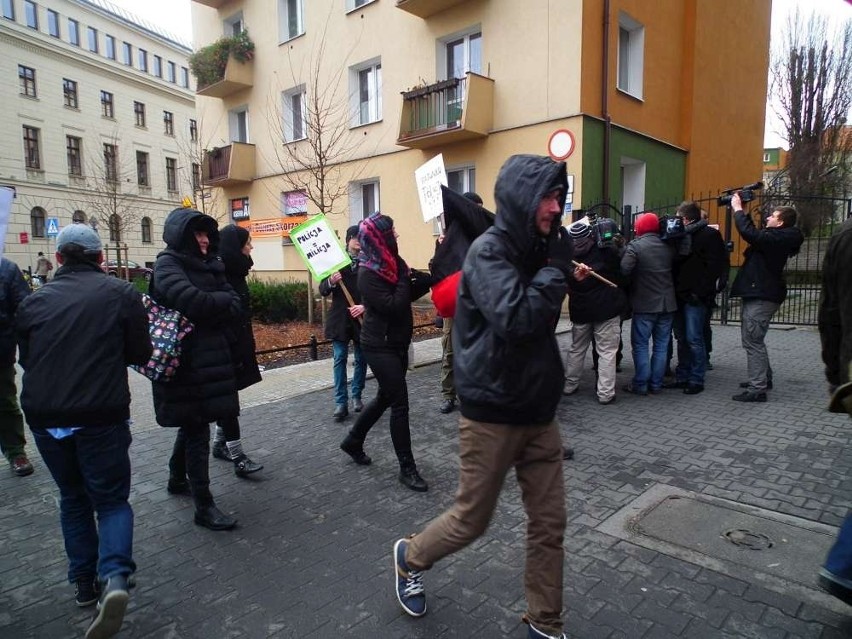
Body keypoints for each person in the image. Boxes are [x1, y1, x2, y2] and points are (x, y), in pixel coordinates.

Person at [393, 154, 584, 639]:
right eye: (547, 196)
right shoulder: (489, 252)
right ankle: (409, 556)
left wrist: (559, 268)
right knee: (471, 520)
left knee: (549, 525)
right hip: (493, 414)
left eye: (560, 197)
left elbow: (539, 310)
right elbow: (518, 320)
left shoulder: (537, 249)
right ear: (522, 197)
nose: (555, 207)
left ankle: (544, 623)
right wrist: (556, 272)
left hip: (539, 412)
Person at [15, 224, 151, 638]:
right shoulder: (122, 294)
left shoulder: (34, 302)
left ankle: (83, 585)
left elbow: (26, 357)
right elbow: (140, 353)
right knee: (110, 501)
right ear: (100, 258)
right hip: (100, 414)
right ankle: (114, 577)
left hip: (44, 416)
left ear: (57, 259)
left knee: (72, 499)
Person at [152, 208, 242, 531]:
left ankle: (177, 478)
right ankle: (203, 505)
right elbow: (191, 301)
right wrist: (215, 303)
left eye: (207, 233)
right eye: (198, 234)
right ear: (183, 236)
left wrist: (212, 303)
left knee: (194, 423)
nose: (204, 240)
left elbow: (234, 303)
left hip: (212, 362)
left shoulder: (212, 265)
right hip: (185, 366)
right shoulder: (167, 264)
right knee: (196, 429)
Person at [338, 213, 432, 492]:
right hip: (379, 346)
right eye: (392, 232)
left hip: (397, 341)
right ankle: (407, 468)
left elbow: (406, 296)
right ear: (380, 239)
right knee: (399, 403)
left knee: (383, 397)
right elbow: (393, 305)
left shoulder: (393, 263)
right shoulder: (367, 272)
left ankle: (353, 440)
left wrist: (423, 279)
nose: (397, 236)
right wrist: (405, 279)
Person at [729, 194, 803, 402]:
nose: (768, 217)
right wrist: (743, 212)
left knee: (752, 340)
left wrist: (737, 209)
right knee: (755, 339)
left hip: (763, 294)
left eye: (772, 216)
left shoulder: (778, 238)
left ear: (780, 222)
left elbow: (750, 234)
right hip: (760, 291)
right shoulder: (777, 238)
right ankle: (763, 379)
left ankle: (757, 389)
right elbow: (755, 235)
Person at [817, 215, 852, 605]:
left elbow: (829, 314)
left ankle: (844, 566)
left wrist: (834, 372)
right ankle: (843, 566)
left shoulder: (843, 234)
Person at [210, 224, 263, 477]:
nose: (251, 248)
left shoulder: (237, 272)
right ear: (235, 247)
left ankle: (220, 443)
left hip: (235, 346)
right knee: (229, 402)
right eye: (247, 244)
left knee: (228, 400)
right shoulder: (220, 275)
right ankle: (237, 456)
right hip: (224, 349)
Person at [663, 201, 728, 395]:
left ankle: (696, 378)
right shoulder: (678, 236)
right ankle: (682, 375)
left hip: (695, 297)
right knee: (682, 337)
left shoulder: (710, 236)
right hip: (679, 294)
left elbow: (714, 267)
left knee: (694, 338)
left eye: (678, 217)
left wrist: (699, 292)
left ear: (686, 218)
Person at [562, 218, 626, 405]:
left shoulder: (567, 258)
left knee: (577, 349)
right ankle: (605, 394)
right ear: (590, 236)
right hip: (606, 309)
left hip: (581, 311)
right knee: (607, 352)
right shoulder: (605, 251)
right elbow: (620, 271)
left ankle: (570, 385)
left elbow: (565, 282)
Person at [437, 191, 484, 414]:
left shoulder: (484, 237)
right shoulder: (450, 237)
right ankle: (448, 395)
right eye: (477, 209)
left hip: (477, 304)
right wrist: (441, 248)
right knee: (450, 352)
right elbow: (437, 268)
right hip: (455, 306)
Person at [620, 213, 677, 395]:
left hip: (645, 304)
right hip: (667, 304)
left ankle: (641, 384)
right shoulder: (668, 245)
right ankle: (656, 384)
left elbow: (624, 270)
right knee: (661, 345)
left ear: (639, 227)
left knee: (641, 345)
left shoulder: (635, 247)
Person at [319, 224, 366, 422]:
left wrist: (365, 306)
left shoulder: (368, 261)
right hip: (340, 319)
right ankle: (341, 402)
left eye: (361, 238)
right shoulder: (335, 261)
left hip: (361, 318)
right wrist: (330, 280)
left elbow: (374, 290)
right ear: (347, 240)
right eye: (355, 237)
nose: (358, 241)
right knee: (339, 359)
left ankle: (356, 395)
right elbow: (323, 289)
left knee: (362, 359)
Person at [0, 258, 33, 476]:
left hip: (1, 352)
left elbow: (25, 311)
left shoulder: (6, 269)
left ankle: (16, 452)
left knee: (5, 403)